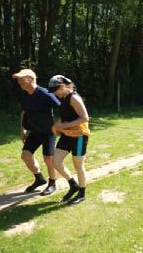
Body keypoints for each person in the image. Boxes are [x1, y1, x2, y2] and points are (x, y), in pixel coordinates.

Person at [12, 69, 60, 195]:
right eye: (18, 79)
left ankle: (52, 184)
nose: (19, 81)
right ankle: (39, 179)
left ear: (30, 79)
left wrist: (60, 125)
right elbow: (24, 111)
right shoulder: (24, 94)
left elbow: (61, 106)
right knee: (25, 156)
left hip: (48, 131)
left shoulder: (44, 93)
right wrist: (22, 129)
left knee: (48, 159)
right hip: (35, 131)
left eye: (21, 78)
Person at [48, 75, 90, 204]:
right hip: (67, 135)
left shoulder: (74, 98)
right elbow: (67, 116)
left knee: (78, 166)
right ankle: (73, 185)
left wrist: (62, 125)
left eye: (55, 90)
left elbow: (85, 118)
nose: (54, 94)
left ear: (62, 86)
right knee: (55, 162)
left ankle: (82, 193)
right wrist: (58, 126)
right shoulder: (63, 98)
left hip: (79, 136)